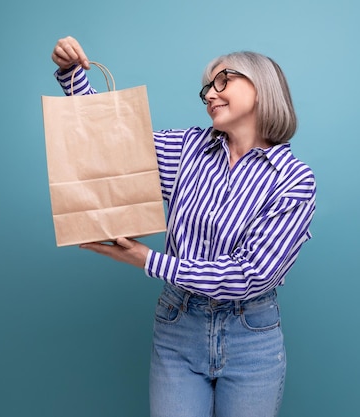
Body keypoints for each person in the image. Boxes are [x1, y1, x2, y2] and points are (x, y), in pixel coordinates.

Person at [51, 36, 316, 417]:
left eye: (222, 81)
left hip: (251, 336)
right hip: (178, 325)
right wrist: (71, 73)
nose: (210, 93)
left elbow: (252, 274)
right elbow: (110, 141)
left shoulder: (294, 180)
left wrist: (149, 260)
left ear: (262, 87)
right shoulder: (187, 150)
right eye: (207, 86)